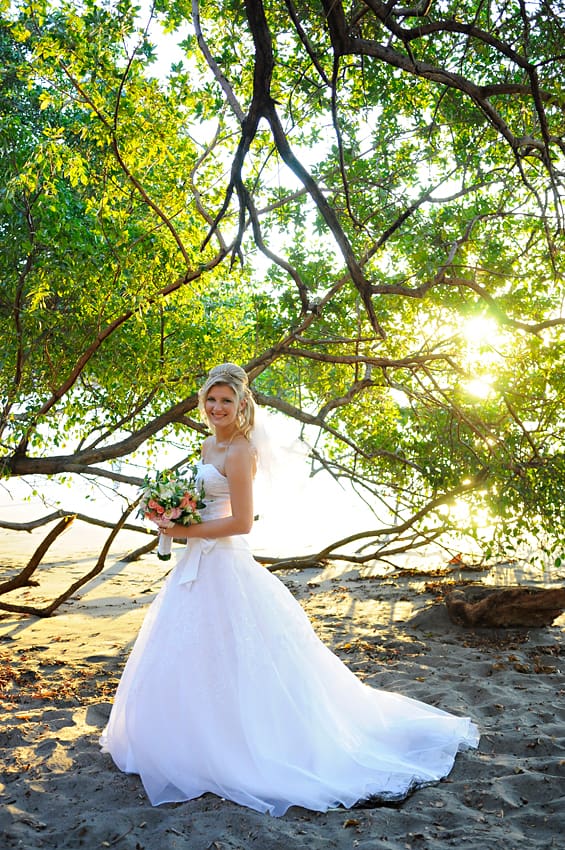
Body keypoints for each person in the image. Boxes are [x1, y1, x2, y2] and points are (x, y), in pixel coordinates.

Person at [100, 363, 479, 816]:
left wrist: (186, 529)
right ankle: (190, 738)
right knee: (190, 650)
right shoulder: (207, 443)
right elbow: (204, 503)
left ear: (242, 404)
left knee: (242, 654)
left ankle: (241, 746)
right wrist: (175, 519)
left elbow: (241, 522)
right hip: (197, 566)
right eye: (211, 399)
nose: (217, 407)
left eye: (226, 400)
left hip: (226, 564)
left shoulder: (240, 451)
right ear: (202, 401)